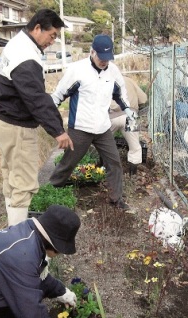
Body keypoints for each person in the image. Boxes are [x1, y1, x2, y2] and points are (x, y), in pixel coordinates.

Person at [0, 9, 74, 226]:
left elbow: (35, 95)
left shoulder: (17, 43)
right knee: (24, 184)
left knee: (11, 177)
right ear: (37, 28)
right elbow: (36, 99)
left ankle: (12, 228)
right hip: (18, 128)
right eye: (52, 35)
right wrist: (58, 131)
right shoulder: (26, 57)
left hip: (4, 121)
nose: (52, 41)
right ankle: (17, 239)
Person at [49, 34, 136, 210]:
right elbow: (58, 95)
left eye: (108, 59)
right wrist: (50, 118)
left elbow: (120, 94)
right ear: (92, 52)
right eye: (101, 58)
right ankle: (53, 189)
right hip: (80, 127)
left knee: (114, 162)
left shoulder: (113, 71)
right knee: (69, 162)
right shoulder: (77, 70)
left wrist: (127, 109)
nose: (104, 62)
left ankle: (116, 198)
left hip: (103, 127)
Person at [108, 76, 148, 175]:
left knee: (104, 144)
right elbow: (143, 99)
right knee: (135, 146)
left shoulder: (105, 80)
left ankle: (106, 171)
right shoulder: (129, 80)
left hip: (111, 116)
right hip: (131, 116)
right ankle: (132, 174)